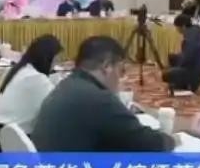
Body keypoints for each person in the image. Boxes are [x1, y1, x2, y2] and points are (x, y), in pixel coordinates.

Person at [30, 36, 175, 151]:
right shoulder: (98, 99)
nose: (121, 77)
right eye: (121, 70)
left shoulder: (67, 84)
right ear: (106, 67)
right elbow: (148, 144)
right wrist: (172, 140)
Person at [0, 35, 63, 148]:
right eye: (56, 60)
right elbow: (58, 106)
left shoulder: (12, 70)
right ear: (47, 58)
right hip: (17, 142)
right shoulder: (36, 78)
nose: (55, 65)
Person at [162, 15, 200, 93]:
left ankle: (186, 84)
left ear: (183, 26)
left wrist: (174, 69)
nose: (177, 30)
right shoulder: (193, 32)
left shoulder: (190, 38)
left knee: (166, 75)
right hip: (193, 67)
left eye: (177, 27)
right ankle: (179, 82)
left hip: (192, 72)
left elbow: (187, 59)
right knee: (172, 57)